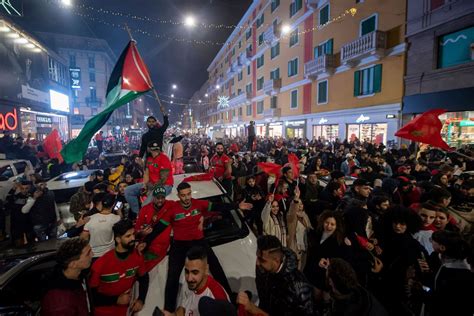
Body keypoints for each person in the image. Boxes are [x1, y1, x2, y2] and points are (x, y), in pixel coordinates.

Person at [144, 182, 252, 313]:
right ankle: (168, 310)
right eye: (183, 195)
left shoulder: (199, 204)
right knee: (172, 277)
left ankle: (229, 296)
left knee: (216, 267)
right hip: (179, 245)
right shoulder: (172, 210)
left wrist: (236, 205)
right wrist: (145, 242)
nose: (187, 198)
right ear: (178, 196)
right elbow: (158, 229)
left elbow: (218, 206)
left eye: (188, 194)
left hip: (199, 241)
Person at [237, 235, 315, 316]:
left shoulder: (298, 288)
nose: (257, 262)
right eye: (257, 257)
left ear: (276, 261)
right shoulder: (263, 269)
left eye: (262, 260)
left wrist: (253, 309)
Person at [89, 220, 149, 316]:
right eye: (128, 236)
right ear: (118, 239)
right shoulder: (101, 263)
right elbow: (91, 296)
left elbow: (144, 278)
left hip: (126, 311)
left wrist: (141, 299)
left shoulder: (137, 257)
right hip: (103, 312)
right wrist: (116, 300)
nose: (133, 238)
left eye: (133, 234)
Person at [164, 246, 230, 316]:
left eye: (195, 272)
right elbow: (183, 309)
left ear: (206, 270)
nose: (189, 278)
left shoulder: (216, 298)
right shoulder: (189, 283)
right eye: (186, 271)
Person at [41, 238, 93, 316]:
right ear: (73, 264)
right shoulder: (61, 304)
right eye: (88, 253)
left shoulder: (80, 275)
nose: (93, 254)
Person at [429, 230, 473, 316]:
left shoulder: (453, 271)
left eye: (432, 241)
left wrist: (419, 293)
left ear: (442, 247)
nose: (431, 242)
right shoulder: (438, 258)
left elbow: (440, 298)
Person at [125, 141, 173, 216]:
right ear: (149, 149)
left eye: (156, 149)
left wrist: (150, 189)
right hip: (151, 184)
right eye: (153, 149)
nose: (155, 151)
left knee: (145, 206)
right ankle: (136, 214)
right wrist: (144, 185)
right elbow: (146, 174)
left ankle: (142, 219)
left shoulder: (164, 158)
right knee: (128, 190)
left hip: (165, 185)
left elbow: (163, 178)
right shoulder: (149, 159)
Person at [134, 186, 173, 273]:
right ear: (153, 198)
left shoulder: (171, 205)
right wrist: (142, 233)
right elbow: (136, 230)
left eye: (162, 197)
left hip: (163, 251)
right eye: (157, 198)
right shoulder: (145, 209)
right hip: (146, 246)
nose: (160, 200)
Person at [81, 193, 122, 259]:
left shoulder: (90, 218)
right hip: (109, 253)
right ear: (113, 205)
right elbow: (121, 222)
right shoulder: (116, 218)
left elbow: (84, 237)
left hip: (94, 254)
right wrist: (119, 211)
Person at [21, 177, 59, 241]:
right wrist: (34, 198)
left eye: (42, 184)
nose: (40, 187)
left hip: (50, 222)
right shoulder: (33, 196)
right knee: (44, 243)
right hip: (41, 224)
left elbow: (54, 206)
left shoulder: (49, 193)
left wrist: (58, 218)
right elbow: (24, 210)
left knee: (52, 242)